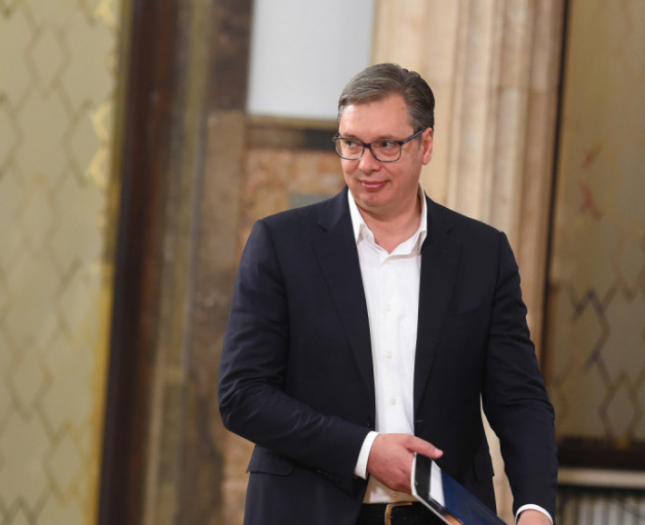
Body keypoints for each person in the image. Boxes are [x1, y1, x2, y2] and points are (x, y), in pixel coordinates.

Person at [219, 63, 557, 525]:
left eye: (386, 145)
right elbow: (243, 395)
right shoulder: (281, 244)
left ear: (426, 145)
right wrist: (365, 451)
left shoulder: (483, 254)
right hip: (308, 510)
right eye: (351, 143)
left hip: (443, 517)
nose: (365, 164)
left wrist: (535, 509)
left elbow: (519, 400)